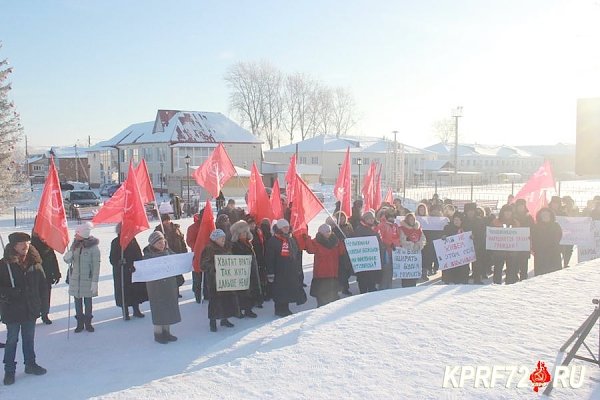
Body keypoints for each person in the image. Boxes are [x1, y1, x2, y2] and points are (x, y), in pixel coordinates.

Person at [0, 232, 48, 385]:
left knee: (29, 338)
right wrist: (8, 292)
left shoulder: (35, 263)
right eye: (22, 244)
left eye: (27, 243)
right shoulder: (4, 265)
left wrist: (42, 306)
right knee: (12, 340)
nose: (25, 246)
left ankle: (30, 364)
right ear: (14, 246)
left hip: (30, 308)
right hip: (12, 309)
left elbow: (43, 286)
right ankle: (9, 370)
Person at [143, 231, 180, 344]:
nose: (161, 244)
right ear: (153, 244)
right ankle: (158, 334)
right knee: (159, 309)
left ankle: (167, 332)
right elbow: (144, 270)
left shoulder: (168, 252)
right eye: (158, 243)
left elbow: (177, 261)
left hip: (169, 285)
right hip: (156, 287)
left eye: (162, 241)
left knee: (169, 306)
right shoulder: (148, 256)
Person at [64, 222, 100, 333]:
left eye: (77, 233)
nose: (75, 236)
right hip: (75, 279)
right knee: (77, 301)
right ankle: (79, 323)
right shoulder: (75, 245)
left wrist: (95, 281)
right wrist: (68, 257)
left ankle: (88, 322)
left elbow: (96, 265)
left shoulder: (94, 248)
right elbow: (68, 261)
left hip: (88, 280)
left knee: (88, 302)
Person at [265, 219, 306, 317]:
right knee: (279, 290)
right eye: (284, 227)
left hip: (290, 270)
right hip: (279, 270)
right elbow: (269, 258)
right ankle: (279, 309)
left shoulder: (291, 238)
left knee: (287, 290)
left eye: (287, 227)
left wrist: (297, 268)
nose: (287, 229)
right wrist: (270, 272)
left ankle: (285, 308)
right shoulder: (273, 241)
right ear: (279, 228)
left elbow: (296, 253)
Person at [201, 229, 238, 331]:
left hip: (226, 279)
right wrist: (215, 268)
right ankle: (212, 322)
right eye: (221, 238)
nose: (223, 240)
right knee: (214, 302)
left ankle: (224, 319)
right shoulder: (208, 249)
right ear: (215, 239)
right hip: (214, 281)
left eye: (224, 238)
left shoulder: (226, 248)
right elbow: (203, 265)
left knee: (226, 299)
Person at [109, 223, 148, 320]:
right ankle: (125, 311)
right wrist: (119, 262)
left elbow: (138, 253)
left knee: (135, 290)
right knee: (123, 291)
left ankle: (136, 310)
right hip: (121, 272)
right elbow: (112, 258)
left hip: (133, 270)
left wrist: (137, 264)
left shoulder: (133, 240)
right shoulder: (115, 242)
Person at [304, 224, 344, 307]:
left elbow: (341, 252)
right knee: (321, 296)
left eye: (329, 231)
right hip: (321, 273)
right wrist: (307, 239)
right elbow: (310, 250)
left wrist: (341, 241)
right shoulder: (316, 242)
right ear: (321, 233)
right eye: (326, 231)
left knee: (333, 295)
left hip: (333, 272)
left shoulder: (335, 241)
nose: (329, 233)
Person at [230, 220, 261, 318]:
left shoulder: (248, 243)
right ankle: (239, 310)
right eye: (242, 233)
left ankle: (248, 309)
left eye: (245, 232)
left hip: (250, 269)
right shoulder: (234, 245)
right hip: (240, 272)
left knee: (250, 289)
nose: (244, 234)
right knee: (241, 292)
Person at [30, 231, 61, 324]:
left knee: (46, 295)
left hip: (47, 274)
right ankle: (34, 315)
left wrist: (56, 272)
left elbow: (53, 259)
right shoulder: (31, 246)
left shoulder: (48, 245)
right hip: (34, 276)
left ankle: (45, 314)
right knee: (34, 296)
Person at [353, 211, 383, 294]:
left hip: (372, 258)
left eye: (372, 218)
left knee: (372, 276)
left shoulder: (374, 228)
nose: (371, 220)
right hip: (363, 259)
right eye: (369, 218)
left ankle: (371, 289)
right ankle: (363, 291)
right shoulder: (359, 229)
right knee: (363, 276)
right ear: (365, 219)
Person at [490, 204, 520, 285]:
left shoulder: (516, 223)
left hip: (512, 250)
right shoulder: (496, 222)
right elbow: (490, 234)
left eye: (509, 211)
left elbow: (519, 236)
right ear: (502, 212)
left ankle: (510, 284)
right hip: (499, 250)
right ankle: (496, 284)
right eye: (506, 211)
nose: (507, 213)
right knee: (498, 268)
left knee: (511, 268)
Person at [531, 208, 563, 276]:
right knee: (541, 275)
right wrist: (533, 249)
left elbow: (559, 236)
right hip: (540, 254)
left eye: (547, 214)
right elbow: (533, 238)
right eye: (543, 215)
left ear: (551, 215)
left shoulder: (556, 225)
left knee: (555, 275)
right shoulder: (536, 227)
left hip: (554, 253)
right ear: (540, 216)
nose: (545, 216)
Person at [398, 213, 426, 287]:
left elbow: (423, 239)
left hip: (416, 253)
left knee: (414, 273)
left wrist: (418, 245)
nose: (412, 220)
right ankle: (405, 286)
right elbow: (401, 240)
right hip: (406, 253)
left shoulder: (418, 229)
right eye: (410, 219)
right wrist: (411, 245)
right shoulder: (402, 229)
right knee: (406, 272)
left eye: (413, 219)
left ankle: (413, 285)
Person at [375, 207, 400, 289]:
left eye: (393, 216)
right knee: (386, 270)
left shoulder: (395, 225)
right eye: (390, 216)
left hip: (395, 251)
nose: (392, 218)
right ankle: (383, 288)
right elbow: (381, 237)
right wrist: (390, 243)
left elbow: (397, 236)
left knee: (391, 271)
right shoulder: (382, 225)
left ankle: (389, 288)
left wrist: (399, 245)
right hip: (386, 251)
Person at [441, 213, 470, 284]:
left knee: (463, 268)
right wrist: (444, 236)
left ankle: (463, 279)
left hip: (463, 254)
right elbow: (443, 236)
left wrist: (471, 237)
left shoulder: (466, 228)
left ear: (461, 220)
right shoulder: (448, 228)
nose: (456, 221)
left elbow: (469, 238)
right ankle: (450, 279)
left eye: (457, 220)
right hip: (453, 255)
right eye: (454, 220)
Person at [330, 211, 354, 295]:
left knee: (348, 270)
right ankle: (344, 287)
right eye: (340, 218)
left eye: (343, 218)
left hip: (349, 251)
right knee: (342, 271)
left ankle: (342, 285)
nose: (342, 220)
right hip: (340, 252)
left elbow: (352, 235)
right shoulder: (334, 228)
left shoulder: (349, 226)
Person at [463, 203, 487, 284]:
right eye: (468, 211)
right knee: (465, 263)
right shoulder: (463, 220)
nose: (470, 212)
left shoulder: (479, 220)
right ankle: (464, 278)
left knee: (477, 263)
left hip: (477, 244)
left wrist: (475, 236)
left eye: (472, 211)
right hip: (465, 245)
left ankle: (477, 279)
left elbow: (482, 232)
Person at [513, 199, 534, 281]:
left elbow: (532, 228)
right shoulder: (513, 217)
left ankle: (523, 279)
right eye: (519, 206)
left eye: (522, 206)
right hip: (513, 244)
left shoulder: (529, 217)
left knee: (524, 262)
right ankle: (514, 278)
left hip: (524, 244)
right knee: (514, 262)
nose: (520, 208)